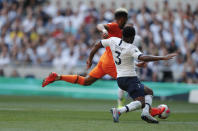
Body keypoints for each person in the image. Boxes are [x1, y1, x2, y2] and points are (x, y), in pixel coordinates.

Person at [42, 8, 164, 117]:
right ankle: (151, 111)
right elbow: (101, 25)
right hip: (113, 65)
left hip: (104, 60)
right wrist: (103, 30)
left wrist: (91, 56)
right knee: (138, 90)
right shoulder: (117, 28)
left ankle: (58, 77)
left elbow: (102, 32)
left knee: (86, 81)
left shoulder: (120, 32)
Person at [86, 26, 176, 123]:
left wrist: (90, 59)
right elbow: (143, 57)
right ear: (130, 37)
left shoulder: (113, 40)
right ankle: (119, 111)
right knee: (141, 102)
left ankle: (146, 113)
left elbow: (97, 45)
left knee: (149, 92)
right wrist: (163, 58)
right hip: (130, 78)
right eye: (133, 37)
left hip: (120, 78)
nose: (134, 39)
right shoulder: (131, 48)